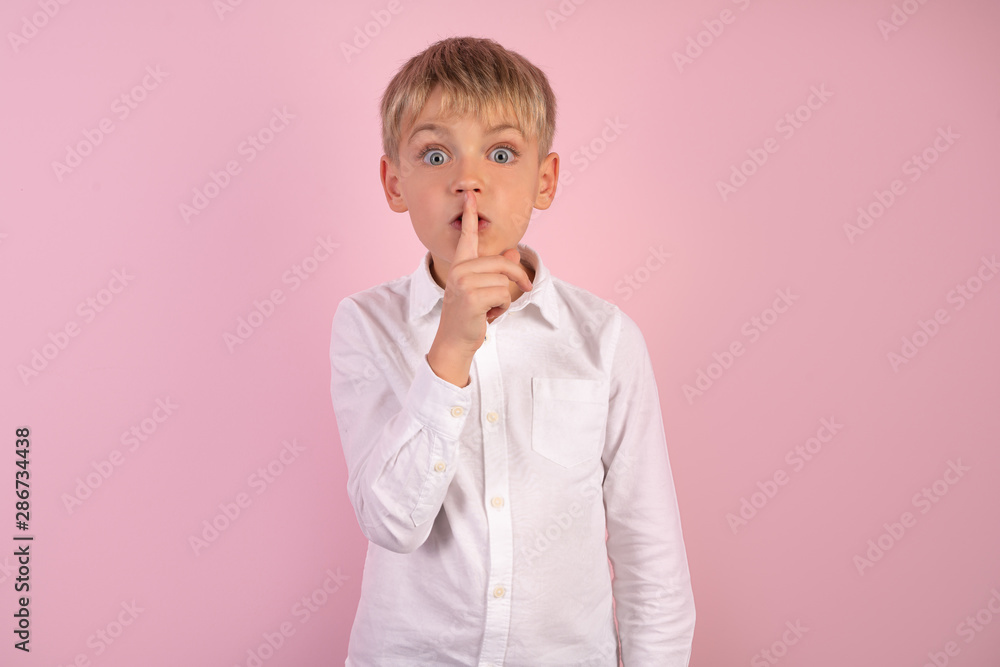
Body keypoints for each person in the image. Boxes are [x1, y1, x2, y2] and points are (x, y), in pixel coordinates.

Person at [329, 35, 695, 666]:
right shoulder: (366, 324)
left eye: (501, 154)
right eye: (436, 154)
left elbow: (650, 552)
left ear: (544, 180)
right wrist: (451, 348)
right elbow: (392, 523)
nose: (468, 181)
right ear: (394, 183)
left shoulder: (605, 338)